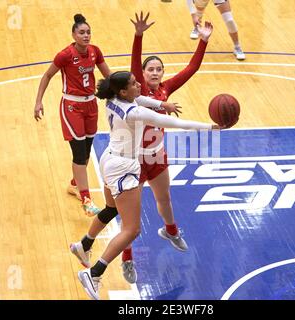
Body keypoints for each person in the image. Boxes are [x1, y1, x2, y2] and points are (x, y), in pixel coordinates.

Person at [71, 12, 214, 285]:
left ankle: (170, 231)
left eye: (159, 69)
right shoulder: (135, 95)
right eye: (150, 70)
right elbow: (165, 116)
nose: (155, 73)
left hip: (154, 155)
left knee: (163, 199)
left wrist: (203, 42)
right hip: (131, 161)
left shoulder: (158, 91)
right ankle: (122, 261)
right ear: (139, 77)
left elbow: (190, 70)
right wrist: (138, 36)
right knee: (130, 223)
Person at [76, 71, 220, 300]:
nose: (139, 85)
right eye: (134, 83)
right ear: (123, 91)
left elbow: (144, 100)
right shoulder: (135, 112)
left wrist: (163, 103)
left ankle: (84, 244)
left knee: (112, 209)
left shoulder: (113, 99)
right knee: (132, 230)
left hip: (109, 159)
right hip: (123, 168)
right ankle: (93, 274)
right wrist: (210, 128)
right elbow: (175, 123)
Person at [34, 14, 110, 216]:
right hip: (71, 107)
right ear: (73, 34)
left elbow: (108, 76)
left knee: (86, 151)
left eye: (88, 32)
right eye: (82, 32)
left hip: (91, 105)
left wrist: (122, 92)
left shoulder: (95, 51)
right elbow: (48, 75)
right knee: (78, 153)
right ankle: (86, 198)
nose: (86, 36)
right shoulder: (65, 55)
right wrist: (38, 101)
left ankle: (75, 184)